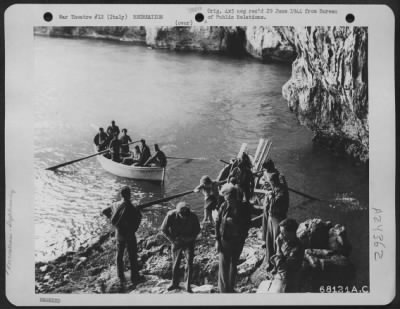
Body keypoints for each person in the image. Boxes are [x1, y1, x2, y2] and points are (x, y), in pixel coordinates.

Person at [102, 186, 143, 288]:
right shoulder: (131, 207)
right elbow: (138, 219)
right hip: (129, 234)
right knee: (132, 255)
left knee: (119, 254)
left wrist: (114, 221)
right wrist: (133, 228)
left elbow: (104, 211)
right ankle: (135, 276)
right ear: (129, 195)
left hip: (119, 233)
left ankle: (120, 275)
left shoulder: (115, 204)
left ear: (121, 195)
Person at [215, 183, 250, 293]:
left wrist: (234, 224)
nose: (227, 201)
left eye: (229, 199)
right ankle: (223, 290)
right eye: (226, 199)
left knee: (233, 265)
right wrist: (217, 240)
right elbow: (217, 223)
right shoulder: (224, 206)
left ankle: (230, 287)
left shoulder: (244, 208)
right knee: (223, 265)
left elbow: (247, 225)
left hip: (237, 241)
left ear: (235, 197)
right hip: (224, 239)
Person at [160, 202, 200, 293]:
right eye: (182, 215)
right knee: (175, 263)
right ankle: (174, 283)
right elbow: (163, 229)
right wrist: (172, 240)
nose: (184, 216)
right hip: (176, 242)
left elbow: (197, 230)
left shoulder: (193, 216)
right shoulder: (170, 215)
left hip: (189, 242)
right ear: (178, 213)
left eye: (186, 214)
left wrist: (189, 238)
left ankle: (187, 284)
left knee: (189, 263)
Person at [268, 218, 304, 292]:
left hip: (289, 279)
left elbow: (282, 267)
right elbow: (280, 259)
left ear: (292, 233)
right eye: (280, 232)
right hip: (281, 274)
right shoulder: (286, 241)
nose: (281, 235)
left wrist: (278, 247)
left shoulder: (297, 249)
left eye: (283, 232)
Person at [262, 173, 289, 269]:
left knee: (276, 241)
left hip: (278, 219)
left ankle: (276, 263)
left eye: (270, 182)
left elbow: (275, 204)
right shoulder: (275, 188)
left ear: (274, 181)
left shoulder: (282, 191)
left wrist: (270, 196)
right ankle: (269, 260)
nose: (270, 184)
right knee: (269, 239)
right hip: (271, 217)